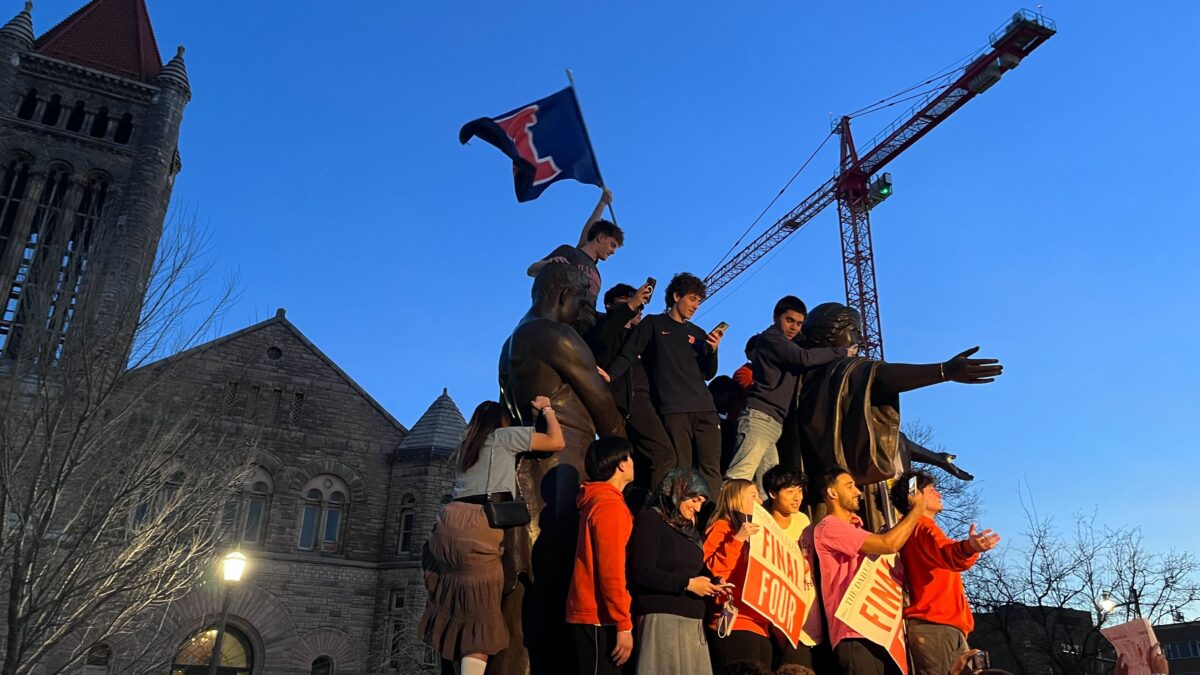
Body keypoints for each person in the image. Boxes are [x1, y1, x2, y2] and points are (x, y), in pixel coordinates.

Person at [420, 398, 565, 675]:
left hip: (447, 524)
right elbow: (555, 441)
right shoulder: (502, 436)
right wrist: (546, 409)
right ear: (500, 422)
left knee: (453, 608)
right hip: (479, 524)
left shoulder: (465, 446)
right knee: (480, 617)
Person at [607, 273, 726, 493]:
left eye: (699, 302)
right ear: (676, 296)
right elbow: (629, 353)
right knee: (682, 471)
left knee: (710, 469)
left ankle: (711, 522)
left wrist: (712, 350)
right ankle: (677, 521)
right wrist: (610, 375)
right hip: (673, 409)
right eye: (692, 299)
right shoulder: (653, 323)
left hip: (706, 409)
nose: (695, 306)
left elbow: (708, 373)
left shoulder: (698, 333)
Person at [725, 296, 852, 487]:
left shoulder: (786, 343)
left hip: (773, 421)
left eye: (799, 323)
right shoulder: (772, 339)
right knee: (739, 476)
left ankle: (760, 516)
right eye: (789, 320)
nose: (794, 327)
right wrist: (842, 352)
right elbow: (803, 358)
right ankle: (723, 516)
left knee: (768, 486)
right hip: (759, 416)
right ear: (776, 317)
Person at [813, 468, 927, 675]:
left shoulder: (859, 531)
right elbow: (889, 544)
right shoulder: (829, 527)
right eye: (849, 486)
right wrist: (917, 510)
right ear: (832, 494)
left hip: (883, 631)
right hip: (856, 633)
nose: (858, 492)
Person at [889, 471, 1000, 675]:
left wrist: (969, 549)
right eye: (931, 489)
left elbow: (950, 558)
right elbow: (949, 555)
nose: (939, 494)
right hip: (936, 627)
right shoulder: (922, 527)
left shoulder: (916, 530)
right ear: (914, 495)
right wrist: (969, 548)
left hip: (940, 628)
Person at [628, 468, 728, 674]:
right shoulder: (652, 518)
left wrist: (714, 582)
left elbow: (695, 568)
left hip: (693, 621)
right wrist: (688, 584)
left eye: (701, 502)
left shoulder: (689, 530)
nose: (698, 508)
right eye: (694, 499)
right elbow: (642, 572)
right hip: (663, 617)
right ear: (678, 492)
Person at [587, 282, 673, 494]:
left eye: (640, 306)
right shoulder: (603, 328)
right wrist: (629, 307)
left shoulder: (640, 337)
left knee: (638, 462)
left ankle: (637, 505)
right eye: (627, 301)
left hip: (646, 400)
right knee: (664, 453)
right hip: (627, 400)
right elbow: (599, 341)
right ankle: (656, 511)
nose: (636, 308)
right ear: (609, 304)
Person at [567, 437, 638, 674]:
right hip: (599, 616)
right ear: (621, 464)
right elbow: (612, 570)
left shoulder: (598, 500)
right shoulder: (609, 506)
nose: (633, 463)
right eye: (630, 457)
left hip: (595, 613)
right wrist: (624, 624)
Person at [526, 187, 621, 334]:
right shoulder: (571, 252)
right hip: (564, 319)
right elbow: (531, 270)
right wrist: (550, 264)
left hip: (587, 325)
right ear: (601, 237)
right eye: (612, 245)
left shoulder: (598, 274)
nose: (613, 251)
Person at [703, 479, 773, 670]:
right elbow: (715, 570)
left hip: (761, 625)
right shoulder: (721, 528)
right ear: (735, 499)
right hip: (735, 623)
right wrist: (737, 540)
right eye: (754, 495)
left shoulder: (758, 536)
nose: (760, 501)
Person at [761, 465, 820, 669]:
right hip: (781, 620)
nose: (797, 497)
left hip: (811, 617)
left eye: (800, 491)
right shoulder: (763, 525)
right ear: (772, 493)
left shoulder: (804, 521)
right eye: (790, 491)